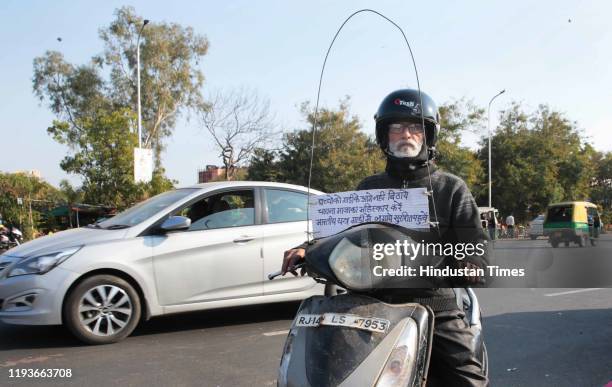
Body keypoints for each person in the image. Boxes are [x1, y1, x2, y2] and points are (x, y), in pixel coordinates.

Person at [282, 89, 489, 386]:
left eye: (415, 127)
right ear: (385, 136)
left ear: (428, 135)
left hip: (435, 304)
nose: (407, 134)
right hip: (371, 304)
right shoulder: (370, 188)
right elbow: (341, 235)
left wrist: (469, 263)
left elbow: (477, 247)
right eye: (397, 128)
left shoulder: (451, 188)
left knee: (468, 379)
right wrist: (306, 249)